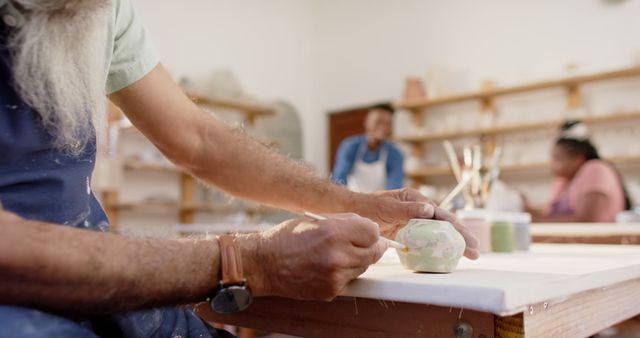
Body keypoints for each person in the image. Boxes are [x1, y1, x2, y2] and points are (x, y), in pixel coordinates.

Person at [0, 1, 479, 337]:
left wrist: (356, 204)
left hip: (97, 283)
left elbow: (198, 139)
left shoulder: (99, 8)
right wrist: (247, 262)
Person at [526, 121, 632, 222]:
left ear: (579, 158)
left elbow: (587, 221)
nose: (552, 165)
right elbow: (549, 215)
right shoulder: (562, 181)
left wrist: (539, 221)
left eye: (558, 160)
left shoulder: (595, 169)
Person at [332, 104, 405, 193]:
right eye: (378, 122)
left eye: (388, 124)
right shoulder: (350, 146)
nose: (383, 127)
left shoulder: (395, 155)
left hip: (381, 204)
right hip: (352, 201)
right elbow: (339, 180)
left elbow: (395, 189)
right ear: (367, 122)